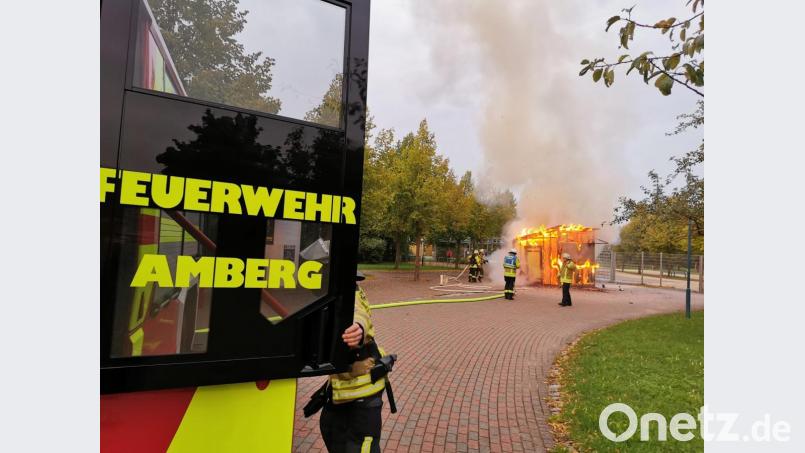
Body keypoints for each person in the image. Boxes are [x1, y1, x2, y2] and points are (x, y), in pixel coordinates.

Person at [313, 271, 396, 453]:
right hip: (346, 388)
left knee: (358, 445)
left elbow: (357, 314)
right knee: (332, 431)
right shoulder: (339, 290)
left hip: (361, 393)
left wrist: (357, 329)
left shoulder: (349, 293)